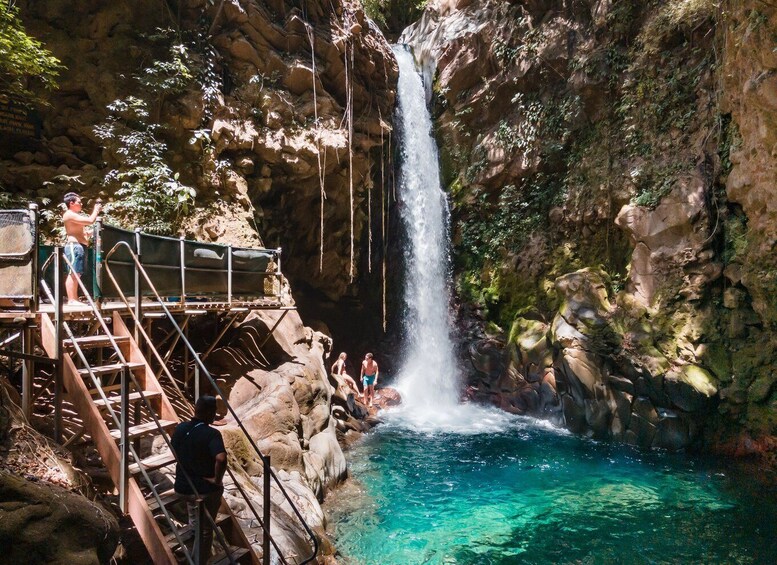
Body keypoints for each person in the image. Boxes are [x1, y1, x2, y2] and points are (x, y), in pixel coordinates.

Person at [171, 396, 227, 564]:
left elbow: (174, 449)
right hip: (202, 490)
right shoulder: (212, 434)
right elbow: (221, 459)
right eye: (214, 412)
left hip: (182, 487)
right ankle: (199, 561)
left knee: (196, 520)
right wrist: (216, 480)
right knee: (205, 530)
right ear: (210, 412)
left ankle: (194, 543)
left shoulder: (180, 428)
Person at [62, 192, 101, 304]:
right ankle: (71, 300)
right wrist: (96, 210)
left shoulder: (74, 216)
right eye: (79, 202)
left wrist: (88, 234)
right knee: (73, 273)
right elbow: (90, 221)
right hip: (74, 246)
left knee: (77, 273)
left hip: (80, 246)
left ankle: (75, 298)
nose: (81, 204)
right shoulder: (69, 214)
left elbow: (78, 232)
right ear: (71, 203)